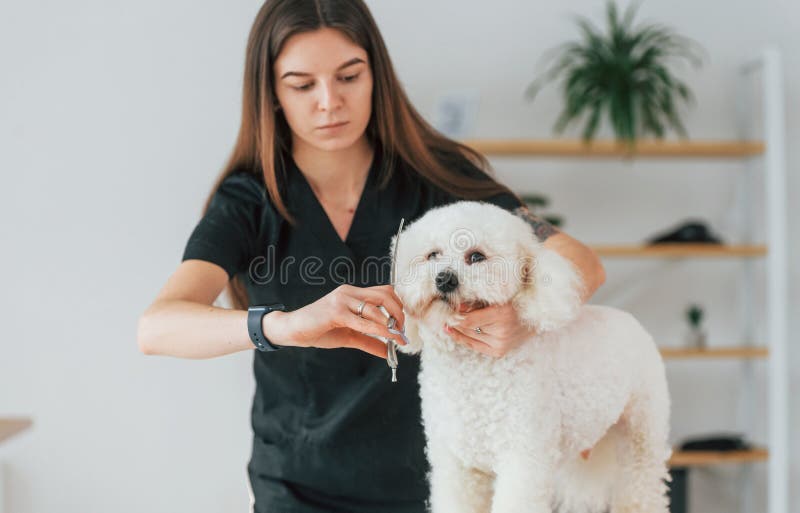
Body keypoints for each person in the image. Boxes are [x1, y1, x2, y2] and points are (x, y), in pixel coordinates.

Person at [136, 1, 606, 512]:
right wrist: (286, 326)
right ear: (271, 92)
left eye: (348, 77)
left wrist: (523, 316)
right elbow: (158, 328)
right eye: (301, 84)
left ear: (375, 75)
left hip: (434, 486)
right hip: (294, 488)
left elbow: (579, 259)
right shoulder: (250, 200)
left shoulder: (436, 175)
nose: (329, 102)